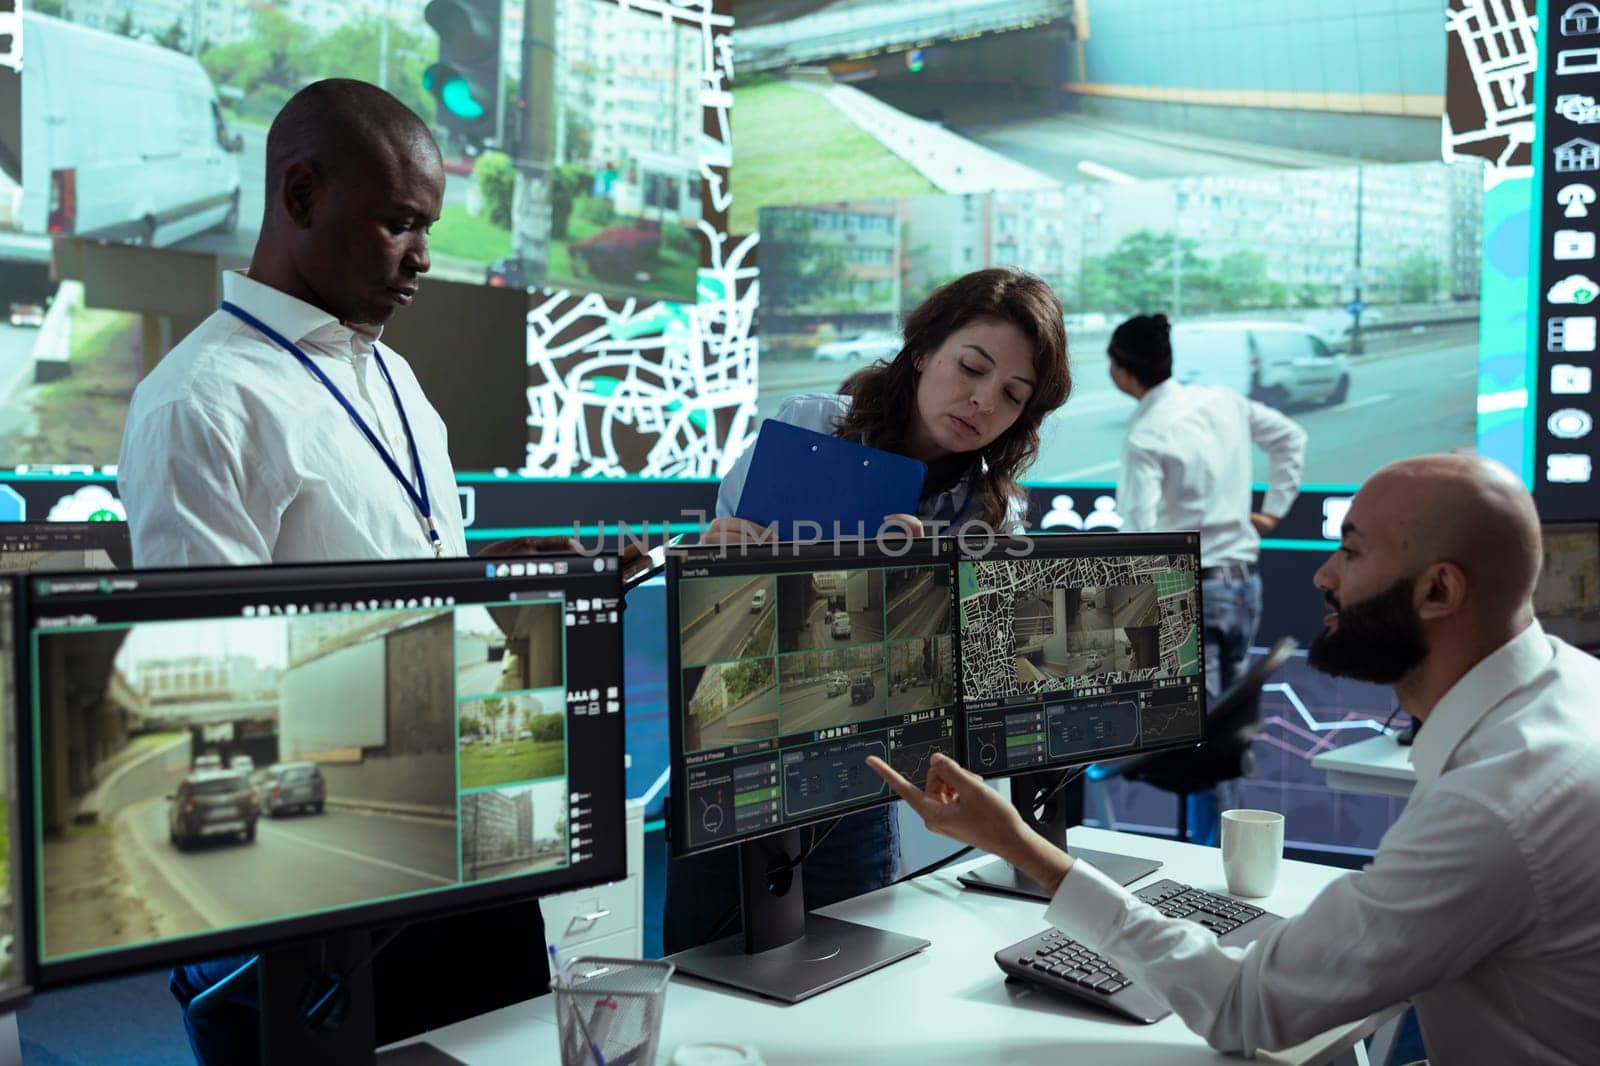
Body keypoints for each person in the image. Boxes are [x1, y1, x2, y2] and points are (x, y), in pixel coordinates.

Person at [872, 454, 1600, 1063]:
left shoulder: (1493, 807)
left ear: (1439, 589)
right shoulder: (1569, 690)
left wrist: (1018, 846)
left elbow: (1246, 1010)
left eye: (1350, 551)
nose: (1322, 576)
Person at [115, 80, 545, 1061]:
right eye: (398, 224)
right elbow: (211, 692)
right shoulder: (200, 401)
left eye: (427, 227)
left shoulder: (390, 373)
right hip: (330, 896)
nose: (424, 258)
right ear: (301, 195)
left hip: (467, 849)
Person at [663, 268, 1073, 953]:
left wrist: (932, 588)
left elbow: (985, 678)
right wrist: (710, 556)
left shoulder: (989, 513)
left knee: (853, 975)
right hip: (739, 753)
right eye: (971, 367)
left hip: (864, 774)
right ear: (923, 349)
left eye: (1011, 396)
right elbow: (713, 622)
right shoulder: (812, 426)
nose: (981, 401)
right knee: (704, 973)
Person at [1106, 314, 1306, 842]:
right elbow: (1291, 437)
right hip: (1244, 587)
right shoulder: (1222, 399)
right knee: (1226, 737)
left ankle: (1211, 868)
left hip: (1190, 593)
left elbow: (1139, 535)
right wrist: (1275, 508)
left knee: (1204, 745)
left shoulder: (1147, 432)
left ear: (1122, 372)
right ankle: (1232, 857)